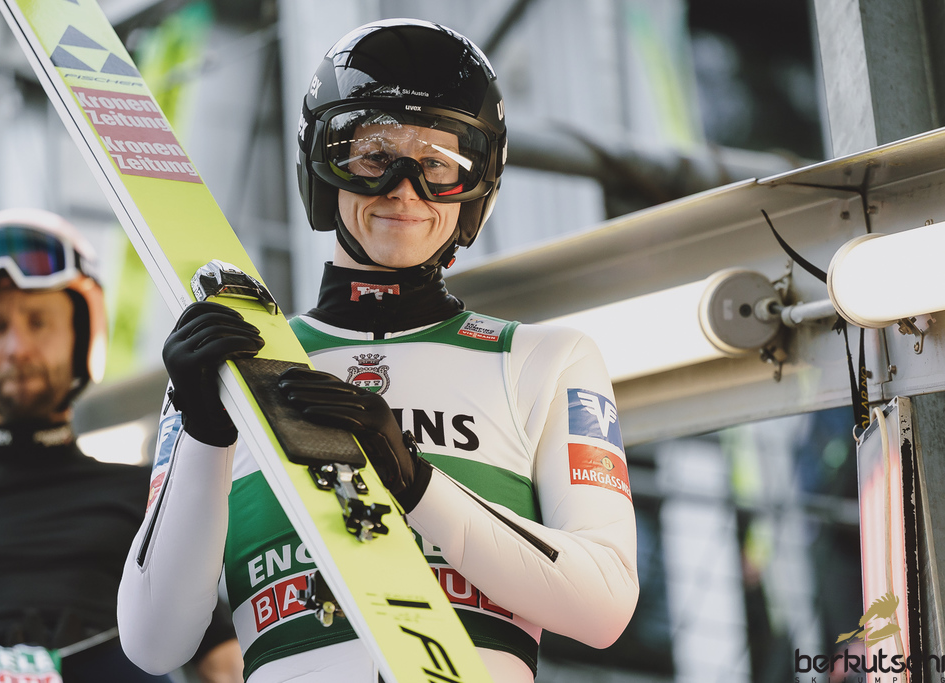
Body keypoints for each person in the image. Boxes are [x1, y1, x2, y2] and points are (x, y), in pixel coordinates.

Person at [118, 18, 639, 683]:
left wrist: (414, 481)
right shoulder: (233, 367)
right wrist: (204, 430)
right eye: (372, 155)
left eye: (438, 164)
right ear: (322, 167)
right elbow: (153, 640)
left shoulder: (544, 360)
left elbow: (604, 604)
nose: (403, 187)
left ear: (478, 183)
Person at [0, 208, 242, 682]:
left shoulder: (149, 496)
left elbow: (223, 663)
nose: (17, 348)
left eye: (38, 322)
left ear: (81, 334)